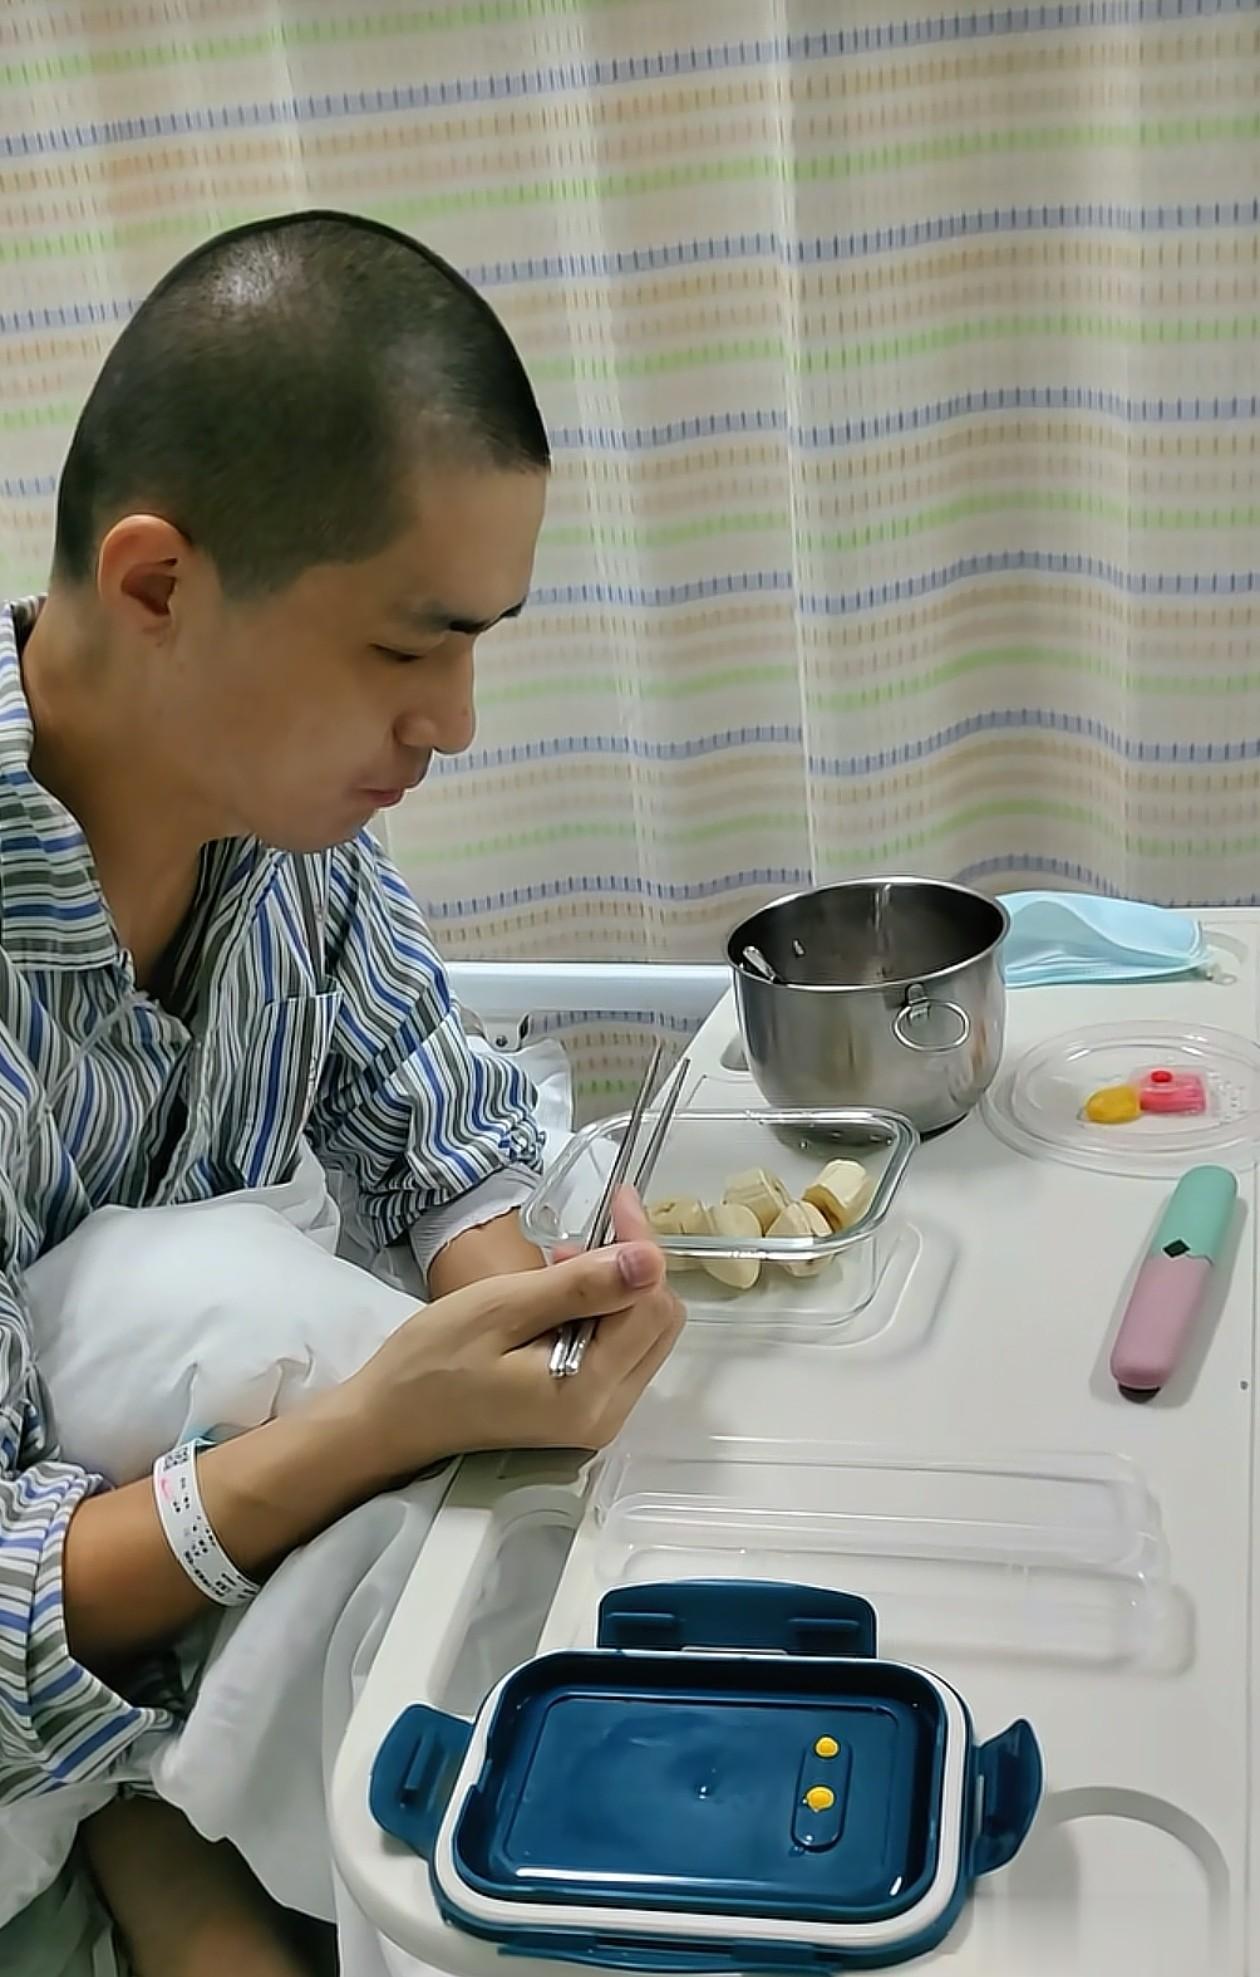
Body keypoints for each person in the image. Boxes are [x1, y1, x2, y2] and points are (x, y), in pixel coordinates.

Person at [0, 211, 684, 1972]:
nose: (453, 720)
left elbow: (428, 1115)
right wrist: (378, 1419)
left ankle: (168, 1822)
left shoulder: (280, 830)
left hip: (204, 1571)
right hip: (50, 1674)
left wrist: (540, 1334)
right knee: (199, 1292)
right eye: (405, 648)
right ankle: (145, 1828)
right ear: (159, 585)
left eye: (479, 643)